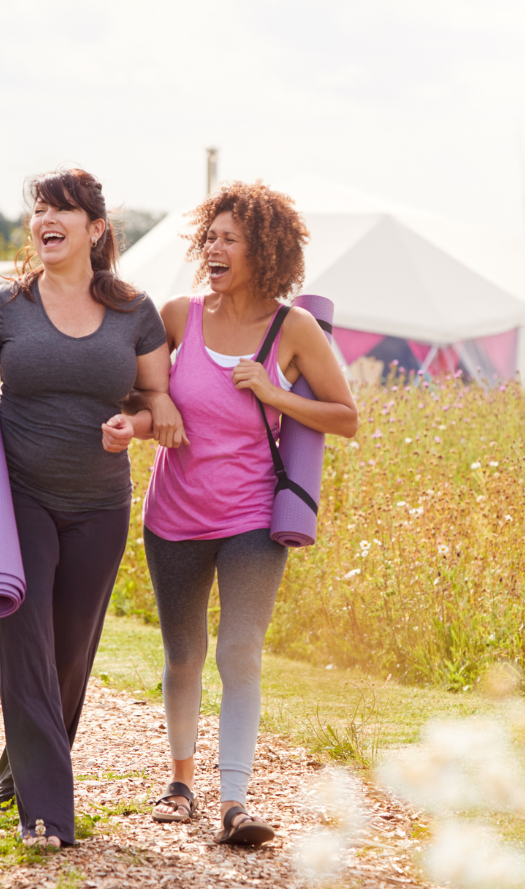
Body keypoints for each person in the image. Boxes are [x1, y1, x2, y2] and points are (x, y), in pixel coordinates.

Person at [0, 168, 179, 849]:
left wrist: (139, 427)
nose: (45, 218)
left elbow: (160, 402)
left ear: (95, 229)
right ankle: (47, 815)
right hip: (19, 500)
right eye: (39, 207)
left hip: (101, 504)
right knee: (25, 643)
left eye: (61, 209)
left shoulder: (135, 310)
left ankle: (18, 771)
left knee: (69, 654)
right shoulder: (6, 307)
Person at [137, 181, 358, 845]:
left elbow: (347, 418)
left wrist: (274, 392)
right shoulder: (178, 317)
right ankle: (180, 784)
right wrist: (156, 413)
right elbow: (139, 393)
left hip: (253, 520)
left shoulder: (294, 330)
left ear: (264, 250)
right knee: (184, 653)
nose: (214, 247)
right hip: (172, 513)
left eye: (229, 238)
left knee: (239, 651)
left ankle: (235, 799)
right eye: (210, 236)